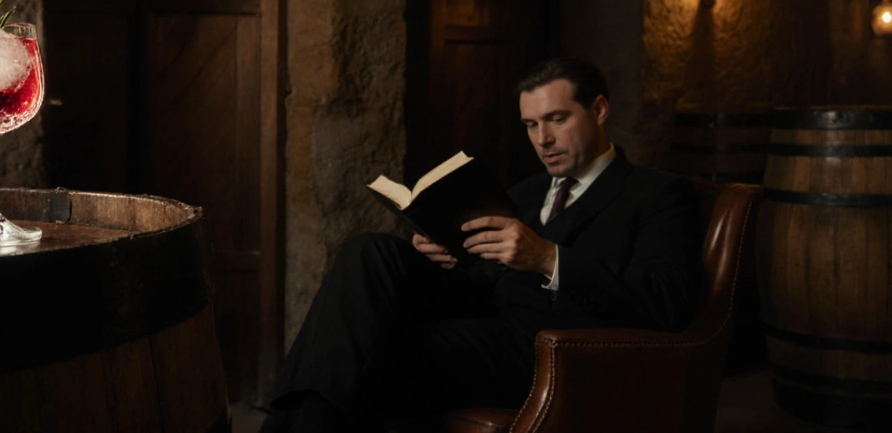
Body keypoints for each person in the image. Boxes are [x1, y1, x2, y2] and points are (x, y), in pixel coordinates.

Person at [261, 57, 704, 431]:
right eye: (531, 125)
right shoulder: (528, 192)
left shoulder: (657, 193)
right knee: (369, 252)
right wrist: (445, 260)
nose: (542, 140)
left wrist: (549, 259)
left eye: (557, 119)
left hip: (552, 351)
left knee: (368, 352)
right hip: (483, 325)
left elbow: (670, 300)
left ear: (600, 109)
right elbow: (485, 281)